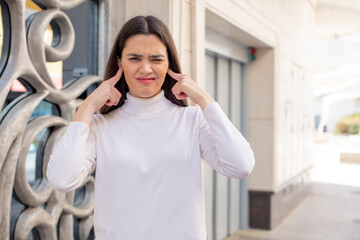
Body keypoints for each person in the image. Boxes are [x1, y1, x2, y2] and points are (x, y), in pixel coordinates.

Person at [47, 15, 255, 240]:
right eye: (134, 58)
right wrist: (87, 106)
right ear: (120, 62)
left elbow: (241, 165)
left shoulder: (192, 120)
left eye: (156, 59)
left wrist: (204, 99)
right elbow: (61, 179)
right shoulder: (100, 127)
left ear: (169, 64)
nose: (146, 68)